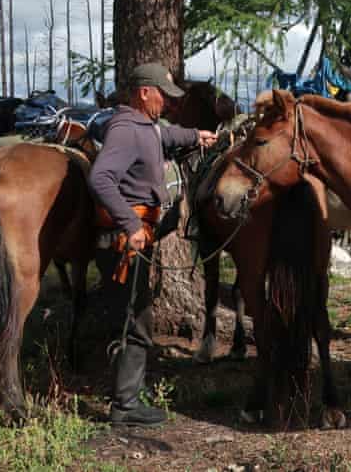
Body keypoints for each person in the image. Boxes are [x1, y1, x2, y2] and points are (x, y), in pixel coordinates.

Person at [89, 62, 217, 426]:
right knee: (135, 318)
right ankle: (125, 406)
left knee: (134, 313)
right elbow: (101, 178)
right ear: (145, 92)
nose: (167, 103)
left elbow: (166, 136)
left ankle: (128, 392)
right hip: (123, 242)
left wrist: (197, 136)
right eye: (163, 95)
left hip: (135, 238)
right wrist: (130, 224)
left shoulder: (146, 126)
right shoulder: (126, 130)